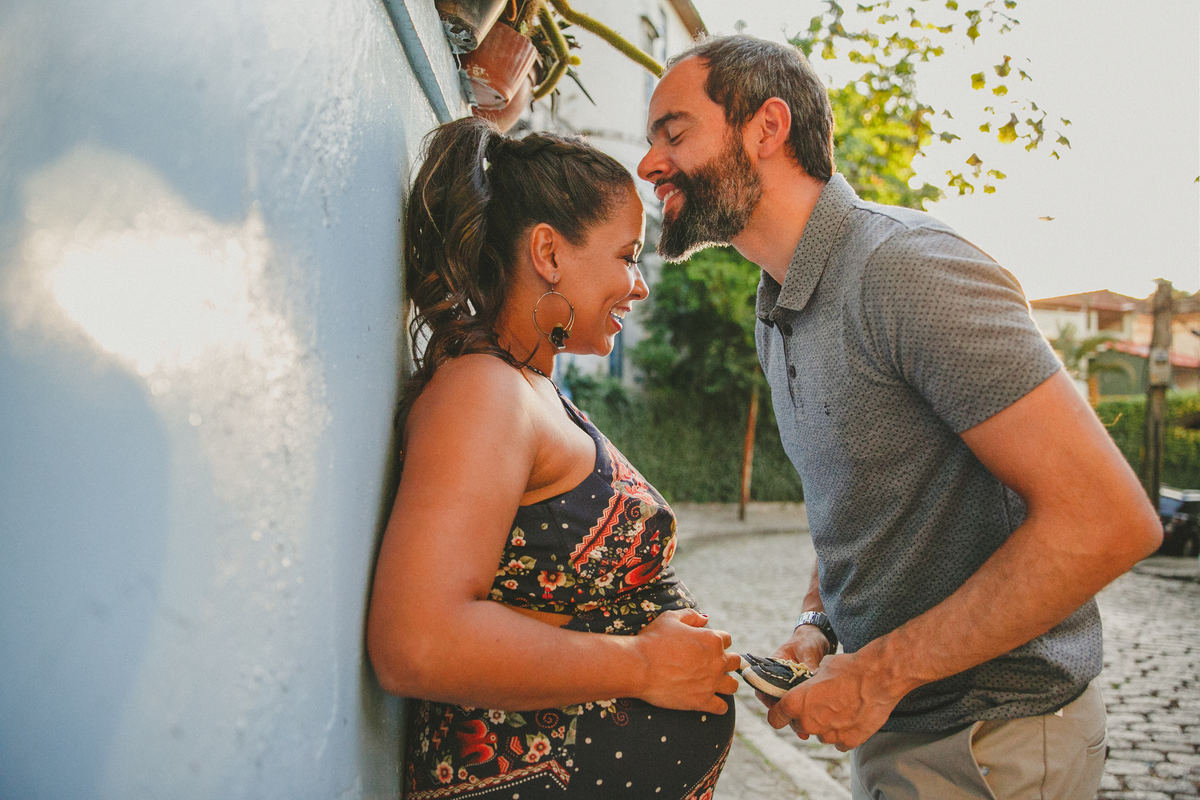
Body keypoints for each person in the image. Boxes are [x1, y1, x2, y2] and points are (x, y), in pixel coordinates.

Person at [637, 34, 1162, 799]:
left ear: (766, 128)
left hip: (994, 744)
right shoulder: (776, 305)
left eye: (674, 133)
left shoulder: (906, 269)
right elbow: (866, 497)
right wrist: (818, 623)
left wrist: (877, 676)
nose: (651, 163)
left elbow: (1108, 521)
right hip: (900, 732)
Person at [366, 116, 741, 800]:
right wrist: (643, 667)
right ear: (548, 252)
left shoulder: (527, 387)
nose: (639, 286)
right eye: (628, 256)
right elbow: (417, 640)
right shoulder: (483, 392)